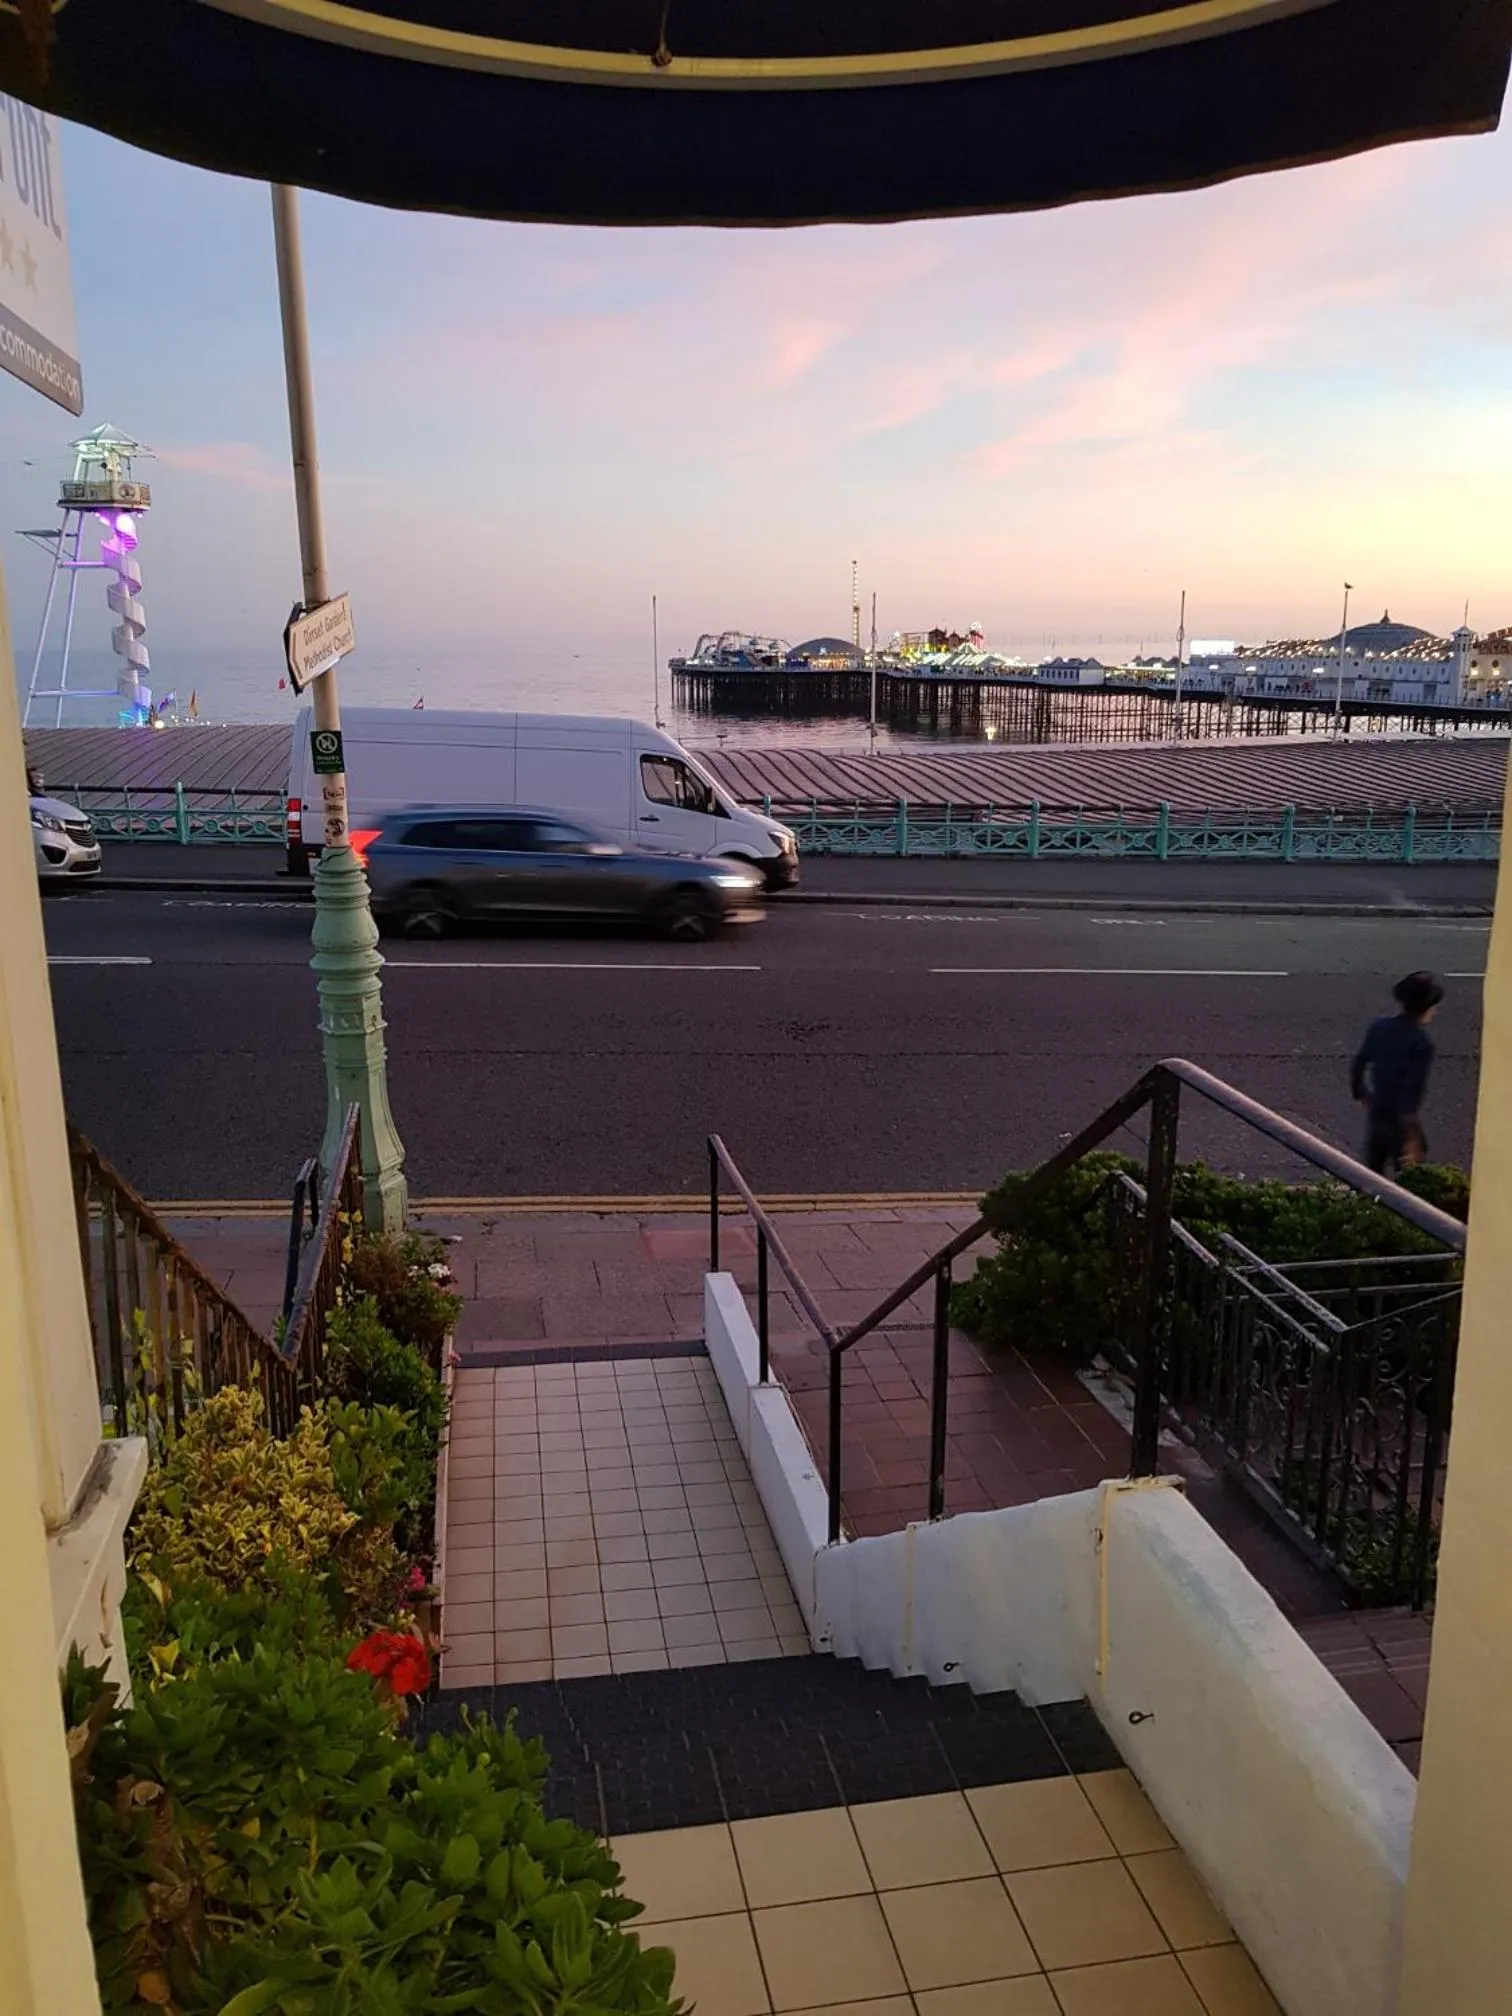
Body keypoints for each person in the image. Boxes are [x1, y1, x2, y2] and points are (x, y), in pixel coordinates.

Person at [1350, 971, 1444, 1174]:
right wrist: (1412, 1137)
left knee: (1374, 1168)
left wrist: (1360, 1092)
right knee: (1409, 1172)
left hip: (1378, 1109)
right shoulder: (1422, 1043)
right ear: (1427, 1008)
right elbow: (1411, 1093)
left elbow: (1359, 1062)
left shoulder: (1379, 1027)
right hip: (1399, 1122)